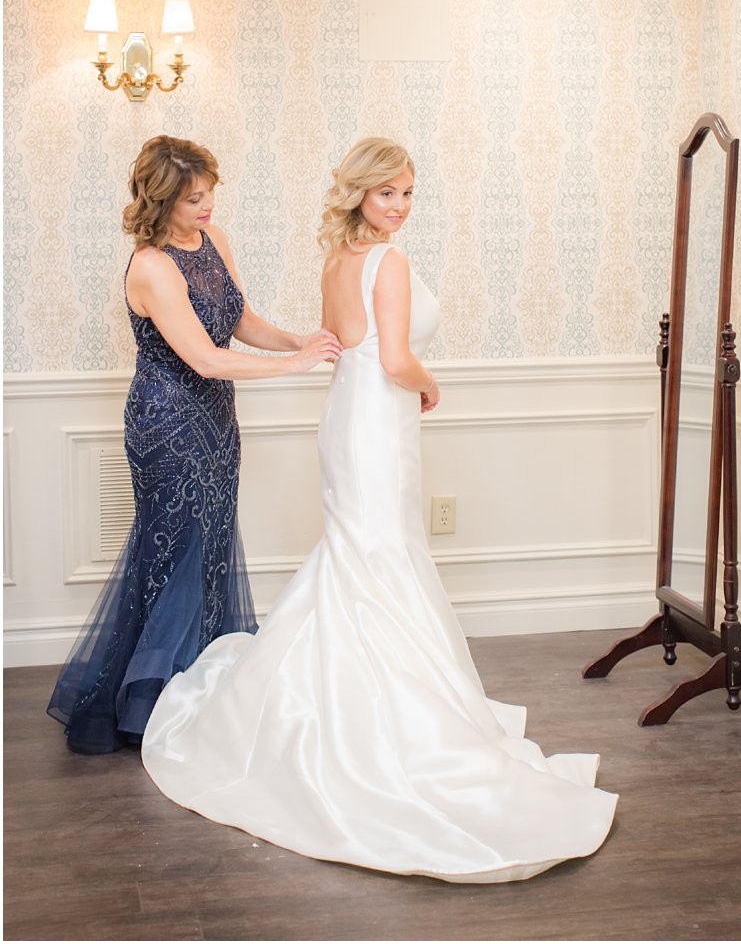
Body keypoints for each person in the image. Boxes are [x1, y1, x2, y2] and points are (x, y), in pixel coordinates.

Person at [142, 138, 617, 883]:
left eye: (407, 192)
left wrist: (352, 364)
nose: (398, 205)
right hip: (375, 420)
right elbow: (393, 358)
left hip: (351, 419)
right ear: (359, 193)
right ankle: (388, 724)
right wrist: (430, 383)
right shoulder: (386, 263)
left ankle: (340, 700)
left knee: (362, 558)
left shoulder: (337, 260)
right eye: (386, 191)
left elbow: (340, 341)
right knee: (377, 557)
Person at [47, 135, 343, 755]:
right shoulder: (151, 265)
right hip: (167, 421)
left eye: (209, 193)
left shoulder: (213, 241)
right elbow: (205, 359)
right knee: (173, 551)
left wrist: (297, 342)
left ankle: (195, 682)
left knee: (208, 544)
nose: (207, 206)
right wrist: (293, 371)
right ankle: (143, 702)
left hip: (214, 420)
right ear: (162, 201)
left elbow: (238, 320)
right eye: (192, 199)